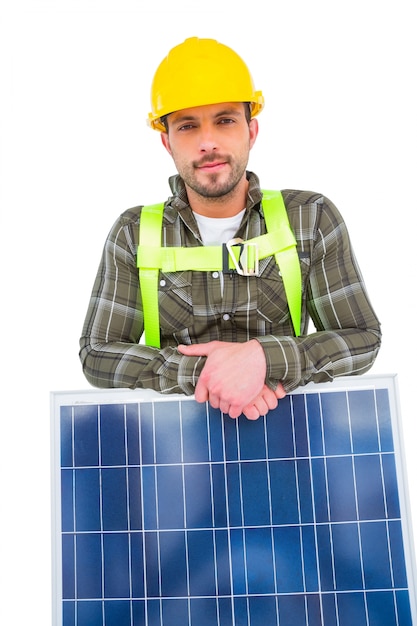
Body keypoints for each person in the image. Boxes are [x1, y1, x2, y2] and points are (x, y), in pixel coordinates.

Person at [79, 37, 381, 421]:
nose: (208, 142)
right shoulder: (134, 232)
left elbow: (363, 339)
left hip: (290, 440)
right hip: (177, 453)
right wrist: (208, 374)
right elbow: (97, 353)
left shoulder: (311, 218)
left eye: (224, 120)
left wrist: (262, 359)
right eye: (187, 126)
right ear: (166, 142)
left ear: (251, 131)